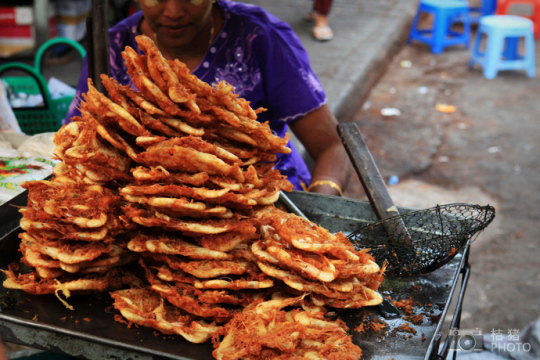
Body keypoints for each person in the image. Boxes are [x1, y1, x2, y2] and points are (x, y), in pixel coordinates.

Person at [64, 0, 351, 196]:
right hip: (145, 211)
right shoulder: (111, 49)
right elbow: (76, 143)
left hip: (269, 200)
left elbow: (332, 145)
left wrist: (321, 203)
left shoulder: (260, 38)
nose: (173, 11)